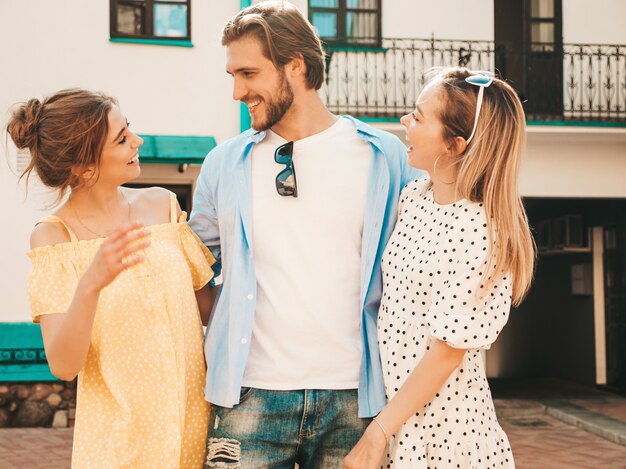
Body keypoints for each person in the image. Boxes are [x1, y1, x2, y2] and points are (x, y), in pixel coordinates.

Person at [188, 1, 418, 467]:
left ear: (295, 65)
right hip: (247, 396)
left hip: (356, 400)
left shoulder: (386, 158)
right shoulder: (223, 164)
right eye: (232, 75)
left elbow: (415, 273)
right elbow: (194, 273)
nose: (236, 91)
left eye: (248, 73)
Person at [7, 88, 216, 468]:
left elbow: (209, 311)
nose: (137, 141)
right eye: (121, 139)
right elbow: (64, 365)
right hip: (118, 449)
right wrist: (92, 282)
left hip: (194, 437)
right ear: (84, 167)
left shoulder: (162, 205)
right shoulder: (54, 238)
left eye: (128, 129)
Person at [343, 68, 536, 468]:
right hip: (397, 415)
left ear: (454, 144)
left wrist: (376, 434)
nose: (405, 122)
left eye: (417, 116)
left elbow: (447, 352)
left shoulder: (481, 230)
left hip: (445, 434)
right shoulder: (416, 197)